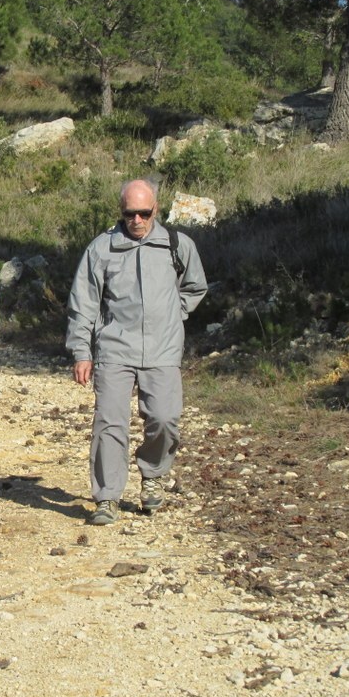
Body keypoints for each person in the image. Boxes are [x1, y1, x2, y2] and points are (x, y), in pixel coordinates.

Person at [67, 179, 207, 525]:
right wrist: (81, 351)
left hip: (163, 350)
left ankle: (154, 476)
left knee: (164, 418)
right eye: (130, 213)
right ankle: (108, 497)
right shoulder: (101, 249)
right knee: (110, 423)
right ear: (122, 212)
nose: (137, 220)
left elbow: (195, 286)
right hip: (115, 348)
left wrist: (176, 313)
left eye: (144, 213)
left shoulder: (177, 245)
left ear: (156, 210)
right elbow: (82, 304)